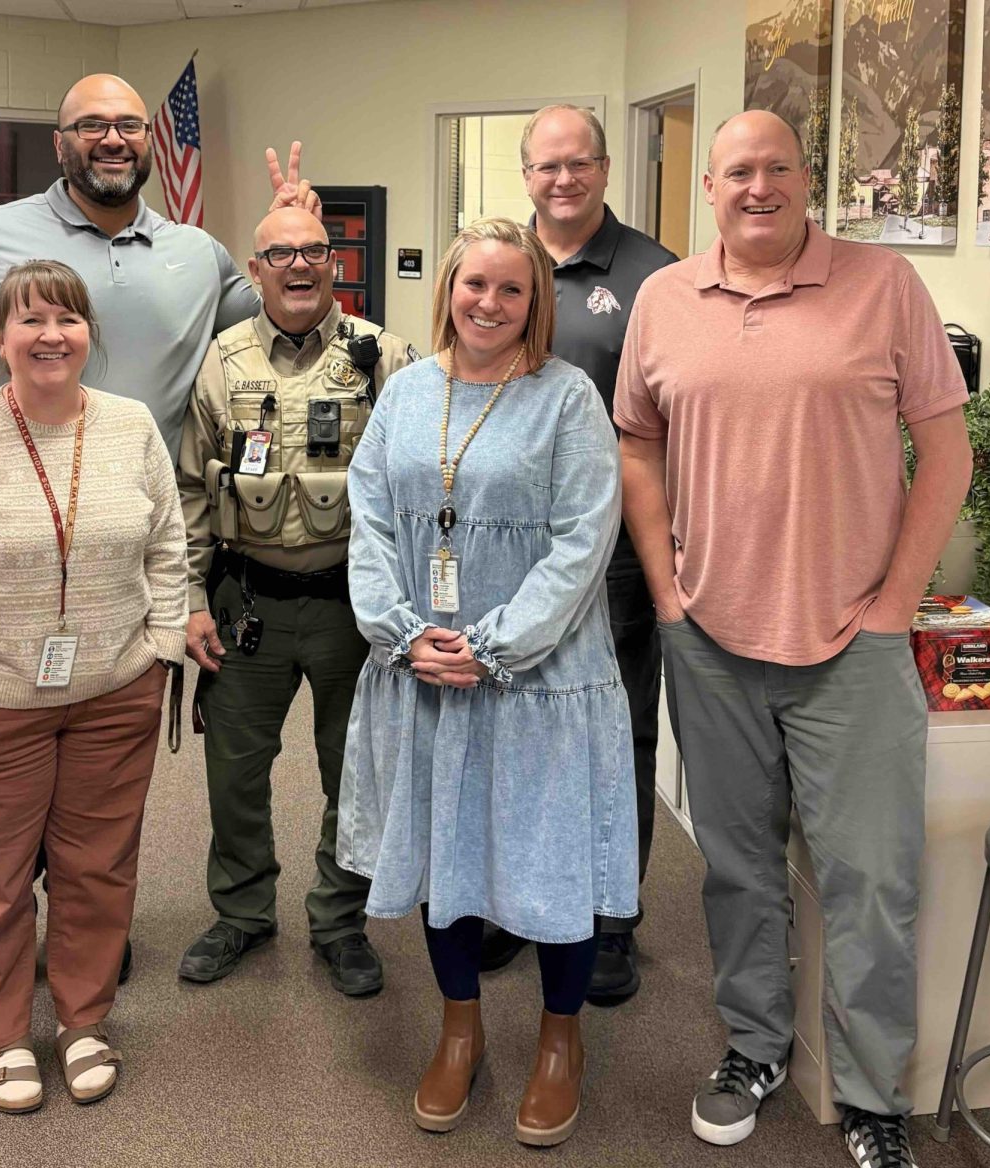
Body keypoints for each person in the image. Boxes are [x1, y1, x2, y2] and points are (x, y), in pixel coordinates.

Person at [0, 73, 306, 1026]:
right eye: (92, 126)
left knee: (98, 796)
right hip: (12, 557)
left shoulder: (197, 253)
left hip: (130, 545)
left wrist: (287, 239)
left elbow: (278, 318)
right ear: (59, 140)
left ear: (150, 141)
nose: (113, 138)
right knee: (1, 790)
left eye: (128, 124)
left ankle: (81, 940)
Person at [614, 110, 972, 1167]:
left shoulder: (885, 286)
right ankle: (756, 1047)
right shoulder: (664, 299)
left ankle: (872, 1096)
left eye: (777, 169)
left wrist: (896, 604)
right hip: (712, 639)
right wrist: (668, 587)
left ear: (807, 180)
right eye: (738, 172)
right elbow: (638, 444)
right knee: (737, 865)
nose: (757, 187)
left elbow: (946, 454)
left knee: (872, 878)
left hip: (853, 645)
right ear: (709, 189)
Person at [337, 217, 638, 1147]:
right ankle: (459, 1025)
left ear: (536, 301)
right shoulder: (405, 393)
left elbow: (584, 541)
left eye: (513, 290)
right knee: (444, 852)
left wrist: (496, 645)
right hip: (423, 669)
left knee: (551, 861)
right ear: (449, 290)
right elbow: (372, 522)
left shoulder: (568, 398)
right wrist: (402, 633)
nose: (490, 303)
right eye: (476, 285)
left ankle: (560, 1042)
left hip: (539, 676)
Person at [0, 260, 187, 1112]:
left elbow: (167, 544)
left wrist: (161, 646)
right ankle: (7, 1037)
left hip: (114, 693)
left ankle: (85, 1020)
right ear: (0, 339)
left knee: (99, 871)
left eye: (67, 318)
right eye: (30, 321)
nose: (50, 334)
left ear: (90, 334)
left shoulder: (131, 428)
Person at [176, 207, 418, 995]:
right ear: (256, 270)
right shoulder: (222, 360)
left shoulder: (381, 356)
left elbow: (417, 483)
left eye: (314, 249)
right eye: (280, 252)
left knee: (353, 771)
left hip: (355, 606)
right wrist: (188, 598)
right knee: (235, 771)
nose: (299, 265)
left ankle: (339, 920)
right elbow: (190, 489)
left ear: (335, 264)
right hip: (248, 600)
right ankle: (242, 912)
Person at [479, 104, 676, 1005]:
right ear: (526, 175)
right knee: (509, 722)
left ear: (604, 168)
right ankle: (509, 902)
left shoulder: (657, 278)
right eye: (546, 165)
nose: (563, 179)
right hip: (501, 549)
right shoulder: (496, 265)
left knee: (613, 732)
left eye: (580, 163)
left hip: (617, 558)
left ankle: (609, 919)